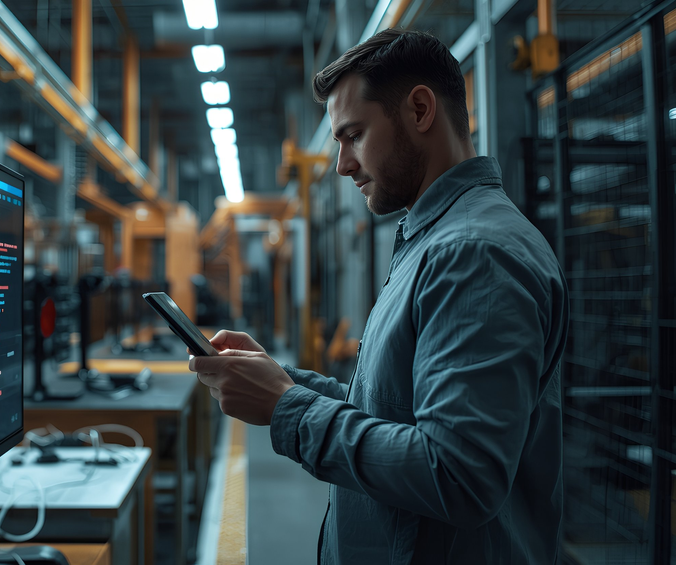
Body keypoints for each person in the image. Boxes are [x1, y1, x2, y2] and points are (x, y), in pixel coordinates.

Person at [189, 29, 568, 564]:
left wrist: (286, 409)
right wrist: (281, 380)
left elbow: (459, 476)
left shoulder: (473, 252)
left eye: (354, 135)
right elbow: (396, 412)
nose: (342, 164)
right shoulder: (433, 239)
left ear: (419, 109)